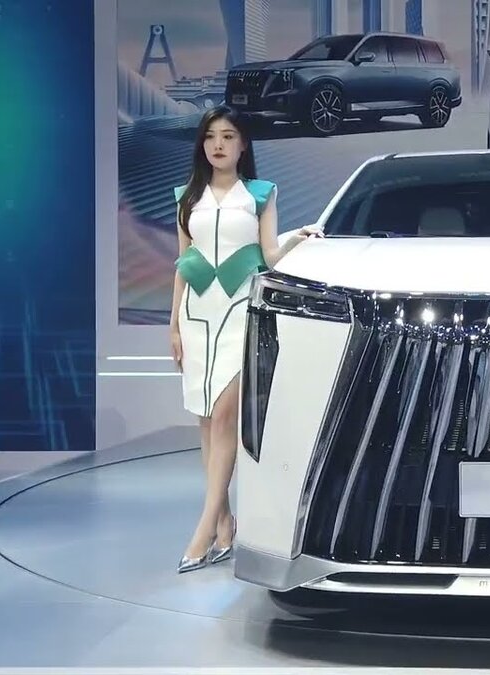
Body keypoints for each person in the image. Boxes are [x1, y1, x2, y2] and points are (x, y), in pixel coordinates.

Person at [170, 105, 322, 573]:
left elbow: (270, 255)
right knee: (205, 420)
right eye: (210, 136)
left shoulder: (260, 193)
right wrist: (173, 325)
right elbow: (183, 263)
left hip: (240, 311)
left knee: (224, 416)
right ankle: (225, 525)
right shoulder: (187, 197)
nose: (218, 144)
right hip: (197, 315)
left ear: (243, 144)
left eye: (228, 136)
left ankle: (203, 529)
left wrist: (298, 237)